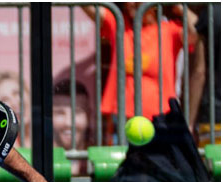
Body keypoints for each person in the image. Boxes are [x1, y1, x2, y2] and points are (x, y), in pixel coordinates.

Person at [82, 2, 197, 135]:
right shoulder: (119, 24)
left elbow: (197, 32)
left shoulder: (169, 30)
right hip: (123, 116)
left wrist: (180, 7)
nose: (130, 3)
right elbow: (89, 7)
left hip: (161, 116)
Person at [187, 4, 221, 146]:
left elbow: (199, 72)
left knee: (213, 159)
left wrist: (189, 122)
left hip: (215, 114)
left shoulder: (212, 13)